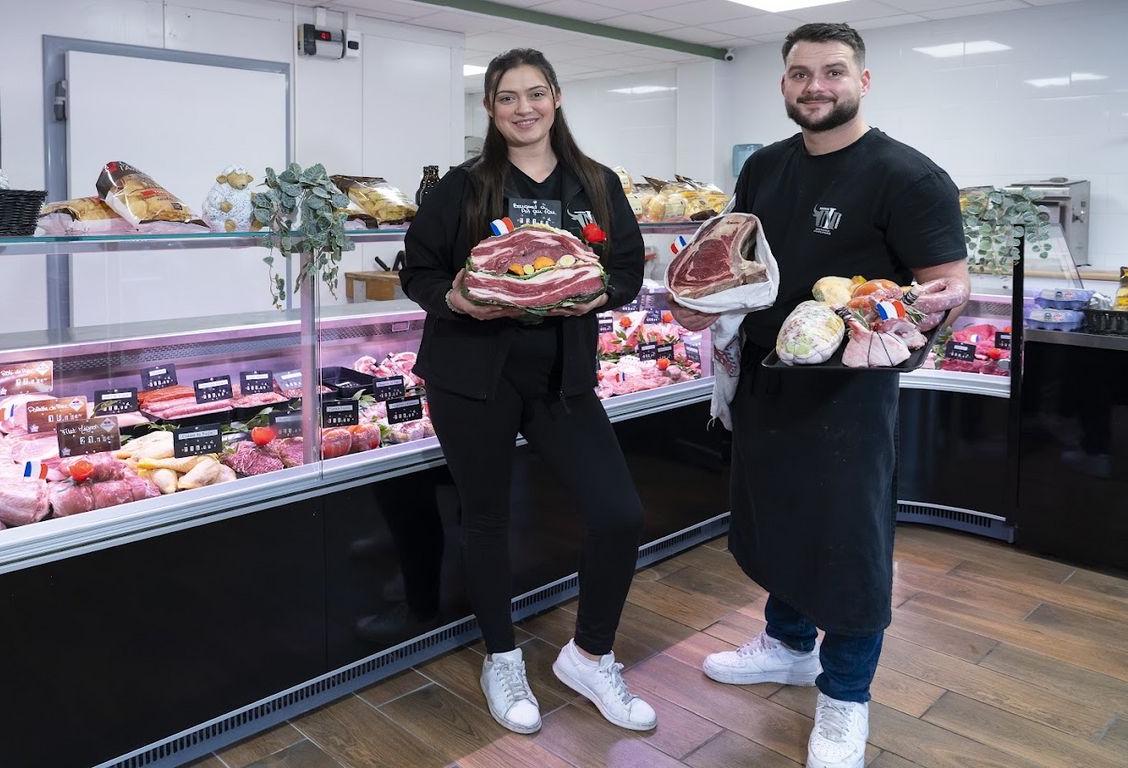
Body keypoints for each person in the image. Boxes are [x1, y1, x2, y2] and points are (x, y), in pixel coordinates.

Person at [673, 23, 970, 768]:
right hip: (763, 378)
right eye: (801, 74)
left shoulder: (908, 176)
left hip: (849, 393)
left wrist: (917, 308)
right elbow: (737, 260)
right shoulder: (766, 167)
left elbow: (949, 287)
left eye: (833, 72)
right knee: (777, 519)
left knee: (848, 543)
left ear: (862, 82)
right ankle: (788, 644)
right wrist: (702, 302)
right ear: (783, 84)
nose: (816, 87)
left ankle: (845, 698)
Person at [399, 48, 656, 735]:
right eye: (507, 97)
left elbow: (627, 268)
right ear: (490, 108)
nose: (523, 108)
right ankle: (503, 657)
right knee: (485, 519)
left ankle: (590, 656)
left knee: (619, 513)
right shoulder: (464, 185)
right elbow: (418, 270)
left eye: (535, 93)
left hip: (561, 379)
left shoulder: (596, 183)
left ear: (557, 98)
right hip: (470, 377)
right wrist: (456, 299)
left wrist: (599, 293)